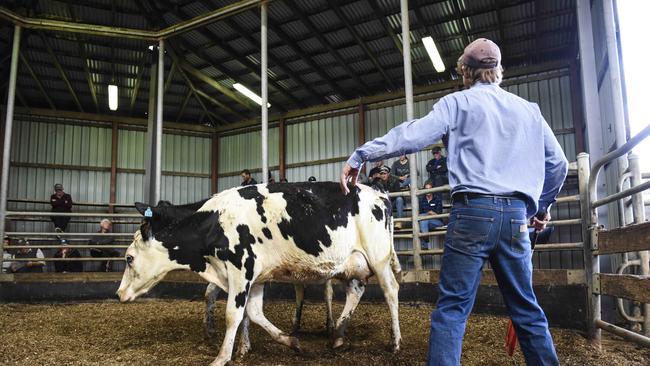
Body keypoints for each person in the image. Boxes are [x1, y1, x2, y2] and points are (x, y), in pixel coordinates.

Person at [340, 38, 567, 365]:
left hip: (472, 213)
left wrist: (363, 154)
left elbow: (412, 136)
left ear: (466, 72)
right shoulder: (529, 111)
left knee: (452, 310)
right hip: (517, 218)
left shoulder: (456, 103)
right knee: (527, 310)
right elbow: (558, 163)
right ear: (498, 71)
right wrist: (541, 208)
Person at [419, 182, 444, 250]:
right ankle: (425, 241)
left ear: (432, 189)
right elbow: (419, 214)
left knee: (423, 218)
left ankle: (425, 240)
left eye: (429, 188)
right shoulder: (421, 200)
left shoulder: (437, 199)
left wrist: (432, 213)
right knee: (423, 218)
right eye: (426, 189)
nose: (428, 190)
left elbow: (439, 215)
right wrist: (428, 213)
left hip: (437, 221)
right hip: (424, 221)